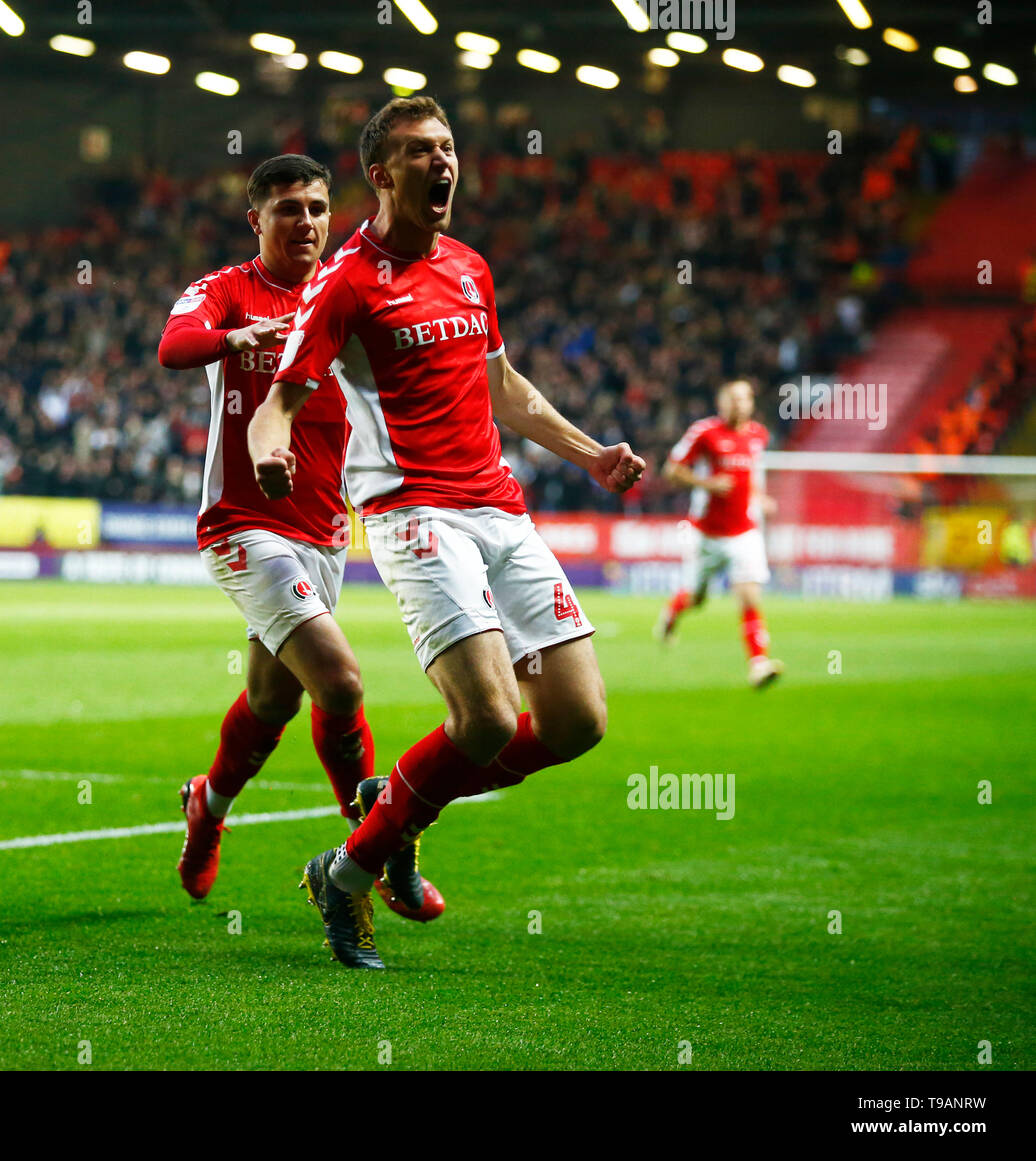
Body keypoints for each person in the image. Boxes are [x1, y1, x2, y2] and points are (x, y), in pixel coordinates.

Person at [249, 98, 644, 968]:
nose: (444, 163)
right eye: (422, 152)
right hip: (413, 512)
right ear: (382, 175)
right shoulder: (344, 280)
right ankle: (347, 876)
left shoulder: (469, 267)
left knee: (577, 721)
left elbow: (504, 388)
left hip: (500, 508)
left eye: (450, 148)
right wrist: (270, 450)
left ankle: (393, 807)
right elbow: (280, 398)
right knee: (487, 718)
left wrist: (590, 454)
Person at [157, 153, 443, 920]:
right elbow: (173, 347)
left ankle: (206, 806)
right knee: (342, 681)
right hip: (242, 525)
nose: (308, 222)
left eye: (318, 208)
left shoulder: (346, 291)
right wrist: (235, 339)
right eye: (289, 209)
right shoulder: (226, 289)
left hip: (323, 532)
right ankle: (375, 841)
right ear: (257, 220)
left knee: (271, 701)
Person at [656, 379, 784, 689]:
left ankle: (758, 664)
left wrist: (758, 497)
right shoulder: (704, 433)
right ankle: (671, 613)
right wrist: (709, 485)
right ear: (721, 402)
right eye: (733, 399)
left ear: (752, 403)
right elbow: (670, 471)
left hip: (744, 532)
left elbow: (747, 476)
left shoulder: (758, 435)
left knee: (749, 595)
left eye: (745, 399)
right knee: (698, 598)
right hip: (707, 534)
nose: (739, 404)